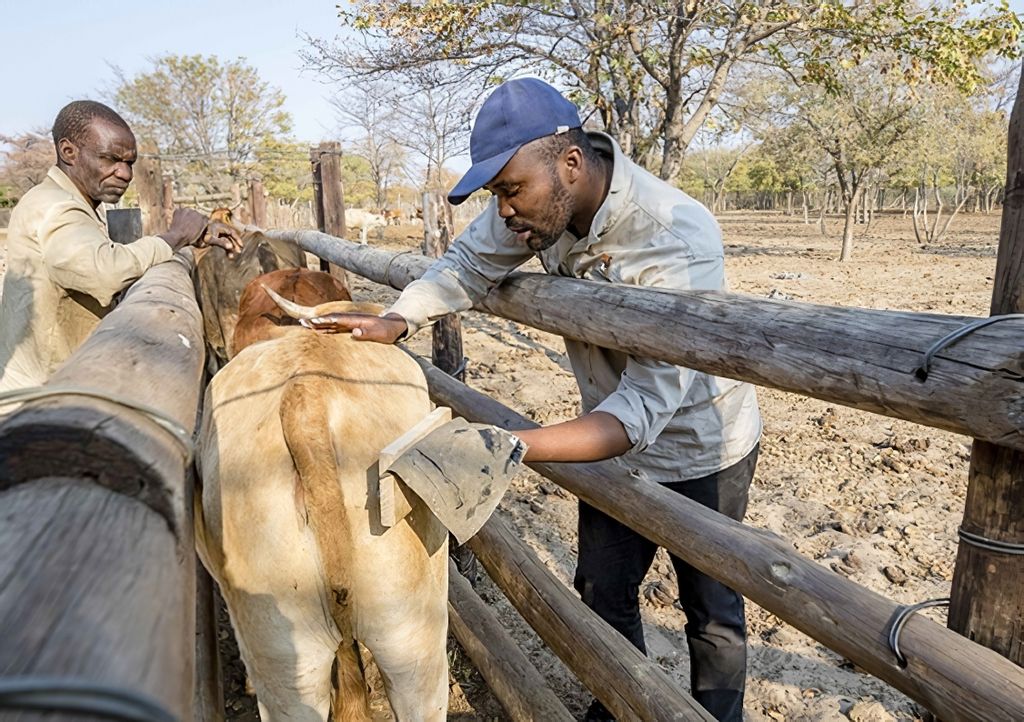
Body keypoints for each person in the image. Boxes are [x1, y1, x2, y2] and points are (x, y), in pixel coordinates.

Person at [304, 78, 762, 721]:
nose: (505, 210)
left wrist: (507, 445)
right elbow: (465, 266)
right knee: (602, 590)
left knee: (711, 607)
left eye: (510, 190)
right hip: (602, 435)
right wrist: (399, 318)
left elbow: (645, 406)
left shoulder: (674, 238)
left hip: (699, 442)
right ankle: (617, 706)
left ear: (570, 163)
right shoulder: (535, 211)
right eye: (497, 195)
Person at [0, 100, 241, 392]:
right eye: (110, 159)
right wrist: (176, 236)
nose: (125, 174)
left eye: (129, 163)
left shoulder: (68, 202)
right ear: (68, 152)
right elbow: (106, 271)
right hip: (41, 398)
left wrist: (187, 238)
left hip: (56, 385)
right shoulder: (57, 207)